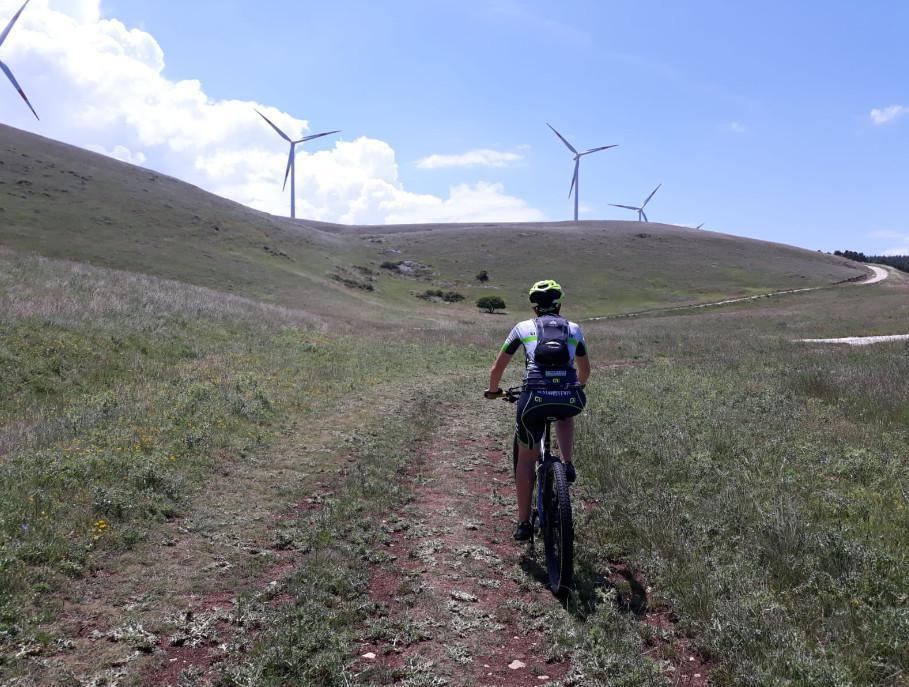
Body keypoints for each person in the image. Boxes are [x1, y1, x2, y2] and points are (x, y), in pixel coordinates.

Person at [484, 279, 590, 541]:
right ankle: (566, 463)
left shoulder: (522, 328)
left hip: (533, 399)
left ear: (534, 308)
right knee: (565, 411)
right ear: (560, 304)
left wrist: (494, 391)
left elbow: (496, 369)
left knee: (527, 458)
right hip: (569, 396)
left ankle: (523, 523)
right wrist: (578, 386)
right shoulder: (574, 328)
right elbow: (585, 369)